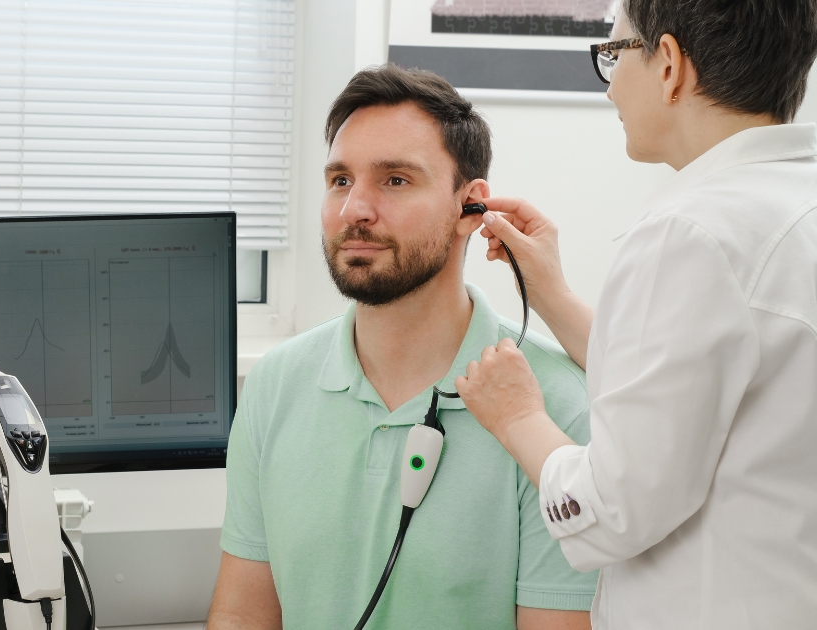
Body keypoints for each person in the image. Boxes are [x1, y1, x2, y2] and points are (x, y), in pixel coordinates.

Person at [455, 1, 817, 628]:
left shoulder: (689, 232)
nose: (610, 85)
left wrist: (518, 418)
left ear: (670, 66)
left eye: (613, 53)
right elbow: (695, 389)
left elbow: (615, 509)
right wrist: (555, 297)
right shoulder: (790, 208)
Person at [207, 65, 596, 630]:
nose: (354, 210)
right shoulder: (276, 384)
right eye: (340, 180)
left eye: (394, 180)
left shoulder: (554, 404)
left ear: (471, 207)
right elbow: (242, 614)